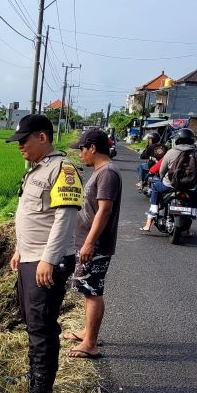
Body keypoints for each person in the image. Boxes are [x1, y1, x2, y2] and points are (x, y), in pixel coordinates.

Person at [7, 114, 83, 393]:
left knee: (42, 325)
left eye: (23, 140)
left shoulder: (63, 170)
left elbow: (65, 219)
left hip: (45, 261)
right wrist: (19, 249)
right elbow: (30, 215)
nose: (19, 147)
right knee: (31, 321)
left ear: (42, 137)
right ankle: (34, 379)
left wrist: (48, 260)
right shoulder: (36, 169)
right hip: (29, 257)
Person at [64, 129, 122, 359]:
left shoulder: (107, 173)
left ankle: (90, 344)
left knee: (92, 291)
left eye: (81, 149)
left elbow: (104, 210)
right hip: (89, 242)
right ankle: (87, 333)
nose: (80, 154)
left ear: (93, 148)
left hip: (94, 245)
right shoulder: (102, 171)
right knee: (87, 290)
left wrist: (89, 243)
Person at [140, 127, 197, 232]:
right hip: (190, 186)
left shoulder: (171, 152)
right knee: (195, 192)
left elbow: (162, 170)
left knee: (156, 187)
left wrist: (162, 179)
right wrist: (192, 182)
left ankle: (153, 211)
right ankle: (192, 212)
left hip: (169, 184)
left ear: (178, 139)